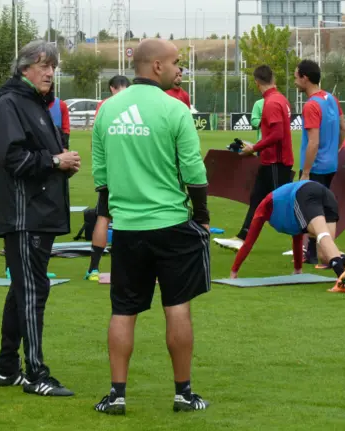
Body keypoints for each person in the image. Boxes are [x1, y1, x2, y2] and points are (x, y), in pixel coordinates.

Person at [92, 38, 211, 415]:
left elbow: (102, 176)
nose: (180, 69)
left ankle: (117, 394)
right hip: (172, 224)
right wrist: (203, 216)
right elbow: (194, 170)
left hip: (128, 228)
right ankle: (183, 393)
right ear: (156, 66)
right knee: (177, 307)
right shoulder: (175, 109)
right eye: (176, 63)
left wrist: (109, 216)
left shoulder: (107, 111)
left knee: (123, 310)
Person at [0, 40, 80, 397]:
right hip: (25, 213)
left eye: (53, 66)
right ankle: (36, 374)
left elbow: (42, 156)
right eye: (43, 65)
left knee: (23, 289)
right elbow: (13, 159)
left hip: (41, 211)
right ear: (24, 68)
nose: (49, 72)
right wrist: (55, 162)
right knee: (32, 291)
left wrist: (62, 163)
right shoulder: (11, 103)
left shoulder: (38, 104)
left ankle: (6, 368)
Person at [229, 180, 345, 292]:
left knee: (321, 234)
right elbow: (297, 238)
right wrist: (298, 269)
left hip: (305, 193)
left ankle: (342, 278)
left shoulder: (264, 209)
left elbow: (248, 242)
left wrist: (234, 271)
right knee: (324, 254)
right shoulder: (288, 215)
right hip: (326, 194)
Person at [214, 65, 294, 253]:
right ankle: (242, 237)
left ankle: (309, 243)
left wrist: (253, 148)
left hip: (276, 162)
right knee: (257, 199)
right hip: (270, 161)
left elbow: (277, 134)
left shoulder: (272, 103)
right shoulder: (280, 99)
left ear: (257, 82)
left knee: (283, 206)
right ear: (273, 79)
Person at [294, 59, 345, 264]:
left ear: (305, 78)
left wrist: (305, 171)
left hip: (315, 166)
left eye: (296, 76)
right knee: (323, 209)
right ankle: (316, 253)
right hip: (330, 165)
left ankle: (322, 254)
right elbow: (343, 127)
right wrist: (334, 150)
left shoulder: (311, 105)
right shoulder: (332, 99)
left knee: (311, 211)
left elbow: (313, 142)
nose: (295, 81)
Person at [85, 74, 131, 281]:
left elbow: (97, 140)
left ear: (112, 88)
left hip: (110, 171)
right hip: (134, 171)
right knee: (133, 219)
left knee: (103, 217)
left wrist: (100, 173)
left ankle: (94, 268)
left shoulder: (105, 107)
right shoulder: (136, 105)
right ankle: (131, 268)